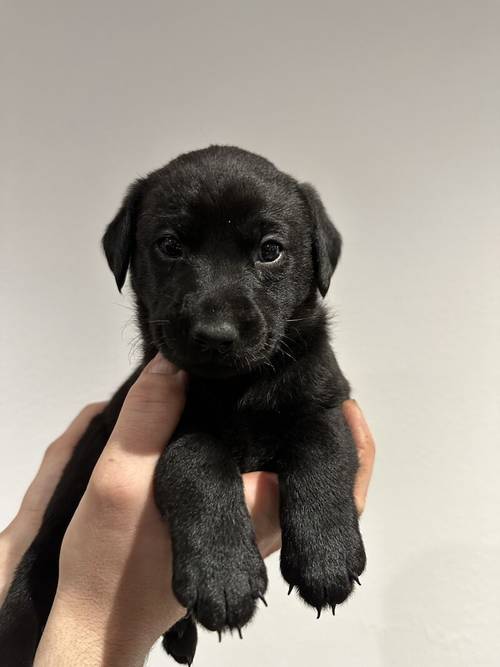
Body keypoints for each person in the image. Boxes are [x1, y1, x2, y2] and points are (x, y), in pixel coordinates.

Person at [0, 354, 376, 666]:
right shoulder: (166, 390)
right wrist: (94, 616)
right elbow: (180, 454)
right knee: (24, 605)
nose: (218, 324)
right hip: (42, 590)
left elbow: (323, 423)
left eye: (267, 256)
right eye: (174, 256)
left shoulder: (307, 368)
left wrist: (322, 503)